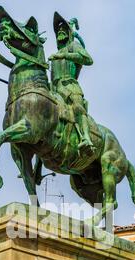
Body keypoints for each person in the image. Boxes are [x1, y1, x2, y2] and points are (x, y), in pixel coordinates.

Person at [49, 12, 94, 155]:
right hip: (54, 88)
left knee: (77, 106)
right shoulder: (55, 54)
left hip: (70, 85)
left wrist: (65, 55)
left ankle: (86, 138)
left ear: (69, 32)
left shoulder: (73, 46)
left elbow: (88, 60)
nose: (60, 32)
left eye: (63, 29)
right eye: (58, 30)